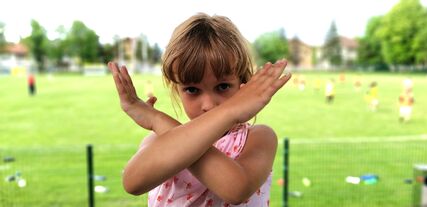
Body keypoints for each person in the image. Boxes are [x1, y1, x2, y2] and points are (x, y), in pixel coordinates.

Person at [108, 13, 291, 207]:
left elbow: (236, 190)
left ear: (243, 85)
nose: (209, 105)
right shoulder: (158, 142)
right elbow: (132, 182)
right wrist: (160, 124)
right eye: (192, 90)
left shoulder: (259, 138)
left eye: (222, 86)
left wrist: (157, 119)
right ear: (177, 90)